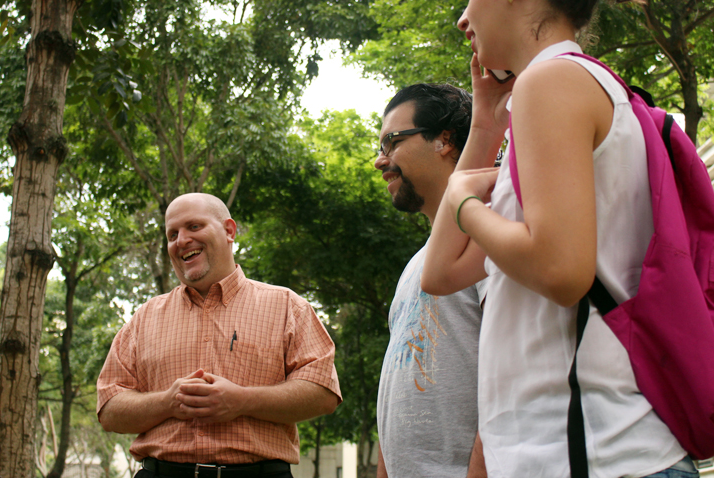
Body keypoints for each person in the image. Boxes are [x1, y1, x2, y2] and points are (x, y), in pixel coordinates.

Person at [421, 0, 698, 477]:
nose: (462, 18)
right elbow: (440, 272)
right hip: (584, 451)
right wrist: (487, 119)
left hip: (595, 452)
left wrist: (464, 204)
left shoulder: (552, 82)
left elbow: (559, 270)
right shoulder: (569, 88)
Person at [97, 193, 341, 478]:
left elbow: (323, 393)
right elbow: (109, 408)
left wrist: (242, 401)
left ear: (229, 230)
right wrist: (168, 402)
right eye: (172, 234)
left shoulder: (288, 307)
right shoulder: (144, 318)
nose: (182, 240)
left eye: (194, 226)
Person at [374, 83, 487, 478]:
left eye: (392, 142)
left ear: (444, 140)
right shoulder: (415, 266)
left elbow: (509, 375)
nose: (379, 160)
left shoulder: (489, 237)